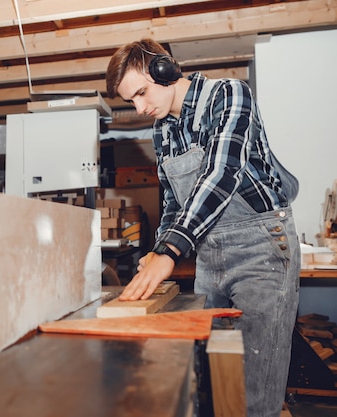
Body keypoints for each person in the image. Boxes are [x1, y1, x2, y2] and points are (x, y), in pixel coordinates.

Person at [105, 38, 300, 417]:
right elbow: (173, 202)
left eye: (142, 92)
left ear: (166, 70)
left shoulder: (228, 95)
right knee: (208, 380)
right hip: (210, 255)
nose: (141, 108)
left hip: (262, 249)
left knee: (255, 392)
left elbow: (221, 173)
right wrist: (157, 248)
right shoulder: (163, 130)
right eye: (131, 101)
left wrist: (170, 252)